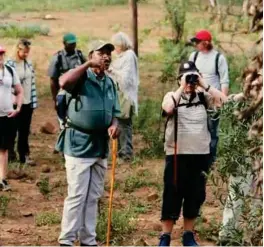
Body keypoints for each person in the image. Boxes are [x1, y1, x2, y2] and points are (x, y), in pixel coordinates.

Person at [55, 40, 120, 246]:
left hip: (100, 146)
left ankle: (88, 240)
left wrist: (114, 124)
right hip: (78, 144)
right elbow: (63, 82)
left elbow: (115, 113)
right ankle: (66, 239)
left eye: (109, 53)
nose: (106, 57)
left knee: (93, 196)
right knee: (77, 195)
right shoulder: (82, 77)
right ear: (92, 55)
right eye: (101, 53)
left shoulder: (110, 82)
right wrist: (86, 64)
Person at [158, 61, 227, 246]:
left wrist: (204, 84)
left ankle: (188, 234)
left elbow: (224, 102)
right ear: (179, 78)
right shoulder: (172, 95)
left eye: (192, 77)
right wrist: (182, 87)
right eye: (186, 77)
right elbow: (168, 109)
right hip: (176, 154)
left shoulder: (204, 97)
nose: (189, 81)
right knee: (172, 193)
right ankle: (165, 236)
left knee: (194, 194)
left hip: (200, 154)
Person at [189, 29, 229, 165]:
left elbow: (224, 80)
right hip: (197, 98)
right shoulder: (194, 56)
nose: (195, 44)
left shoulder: (218, 58)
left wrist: (223, 99)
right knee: (197, 128)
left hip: (213, 99)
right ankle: (198, 157)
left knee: (212, 130)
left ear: (205, 43)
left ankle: (210, 160)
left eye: (198, 42)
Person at [107, 32, 139, 162]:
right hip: (118, 93)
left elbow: (127, 78)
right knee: (118, 123)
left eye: (117, 45)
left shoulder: (129, 56)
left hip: (126, 94)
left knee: (124, 124)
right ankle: (119, 152)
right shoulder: (120, 57)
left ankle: (126, 153)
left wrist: (113, 71)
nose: (116, 49)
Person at [6, 39, 38, 165]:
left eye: (28, 52)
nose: (26, 54)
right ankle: (10, 154)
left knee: (24, 131)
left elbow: (31, 82)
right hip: (13, 102)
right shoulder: (9, 64)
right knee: (12, 130)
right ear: (18, 49)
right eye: (24, 52)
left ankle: (24, 155)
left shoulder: (28, 63)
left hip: (27, 102)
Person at [48, 32, 86, 130]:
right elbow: (53, 80)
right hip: (64, 91)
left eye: (74, 43)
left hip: (80, 91)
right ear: (64, 43)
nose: (73, 46)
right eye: (70, 44)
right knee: (64, 120)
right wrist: (55, 98)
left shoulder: (80, 55)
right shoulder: (58, 57)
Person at [0, 45, 23, 191]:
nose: (0, 57)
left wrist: (18, 107)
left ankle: (2, 179)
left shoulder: (10, 71)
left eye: (1, 54)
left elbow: (19, 91)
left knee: (4, 148)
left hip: (7, 115)